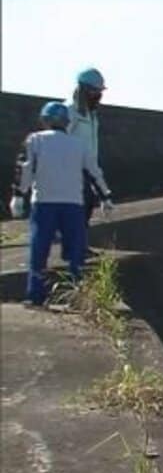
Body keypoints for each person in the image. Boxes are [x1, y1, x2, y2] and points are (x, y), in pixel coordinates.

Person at [16, 102, 108, 305]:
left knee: (39, 251)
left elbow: (25, 169)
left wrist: (19, 195)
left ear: (44, 120)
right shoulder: (78, 144)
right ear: (67, 122)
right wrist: (105, 197)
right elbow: (94, 173)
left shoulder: (35, 140)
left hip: (43, 203)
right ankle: (77, 294)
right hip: (73, 204)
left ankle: (35, 296)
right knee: (75, 253)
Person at [65, 67, 114, 225]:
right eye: (95, 91)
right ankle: (74, 245)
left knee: (87, 205)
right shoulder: (69, 111)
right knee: (79, 206)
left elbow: (92, 148)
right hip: (70, 170)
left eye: (99, 92)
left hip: (88, 169)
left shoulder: (92, 115)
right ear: (84, 90)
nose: (98, 96)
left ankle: (81, 245)